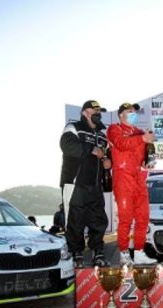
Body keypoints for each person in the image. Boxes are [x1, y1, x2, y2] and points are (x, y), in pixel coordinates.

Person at [60, 100, 112, 267]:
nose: (98, 113)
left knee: (98, 220)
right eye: (94, 110)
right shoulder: (73, 127)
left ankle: (98, 251)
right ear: (85, 112)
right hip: (75, 183)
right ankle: (76, 253)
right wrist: (90, 149)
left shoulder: (103, 135)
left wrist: (108, 162)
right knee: (75, 220)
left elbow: (107, 156)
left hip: (95, 185)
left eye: (100, 111)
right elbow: (66, 145)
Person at [107, 102, 157, 265]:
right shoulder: (114, 129)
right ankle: (123, 252)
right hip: (123, 179)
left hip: (139, 179)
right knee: (125, 218)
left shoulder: (139, 132)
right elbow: (121, 144)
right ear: (121, 114)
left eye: (135, 112)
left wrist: (148, 161)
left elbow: (145, 157)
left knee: (143, 217)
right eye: (130, 111)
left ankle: (139, 251)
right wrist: (142, 138)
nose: (133, 113)